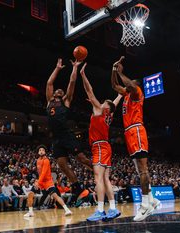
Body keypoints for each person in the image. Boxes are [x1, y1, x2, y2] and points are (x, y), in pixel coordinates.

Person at [111, 56, 160, 221]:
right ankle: (152, 200)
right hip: (128, 132)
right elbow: (114, 85)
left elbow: (129, 85)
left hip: (137, 130)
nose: (127, 85)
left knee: (143, 169)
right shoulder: (126, 96)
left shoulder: (137, 93)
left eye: (131, 83)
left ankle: (145, 205)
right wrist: (113, 71)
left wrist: (121, 72)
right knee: (139, 170)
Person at [45, 58, 92, 205]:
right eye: (57, 90)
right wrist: (58, 68)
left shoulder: (65, 101)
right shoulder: (49, 101)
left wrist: (75, 68)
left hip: (67, 135)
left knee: (82, 159)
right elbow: (49, 83)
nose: (59, 90)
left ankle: (100, 171)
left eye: (61, 90)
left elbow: (72, 83)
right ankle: (78, 188)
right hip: (56, 139)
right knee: (62, 165)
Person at [80, 63, 122, 221]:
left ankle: (99, 210)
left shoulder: (99, 110)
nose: (102, 102)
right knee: (105, 179)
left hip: (99, 146)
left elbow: (89, 91)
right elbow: (117, 100)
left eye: (105, 102)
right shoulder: (109, 114)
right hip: (106, 146)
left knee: (98, 178)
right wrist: (121, 91)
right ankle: (112, 208)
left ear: (106, 107)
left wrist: (83, 75)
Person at [24, 145, 72, 217]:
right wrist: (37, 181)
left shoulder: (46, 160)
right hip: (41, 181)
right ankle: (30, 212)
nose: (41, 151)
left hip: (48, 182)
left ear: (45, 152)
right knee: (30, 194)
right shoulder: (37, 160)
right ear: (38, 152)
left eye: (43, 150)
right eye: (40, 150)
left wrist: (38, 183)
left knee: (55, 196)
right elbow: (39, 173)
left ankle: (67, 210)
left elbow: (43, 173)